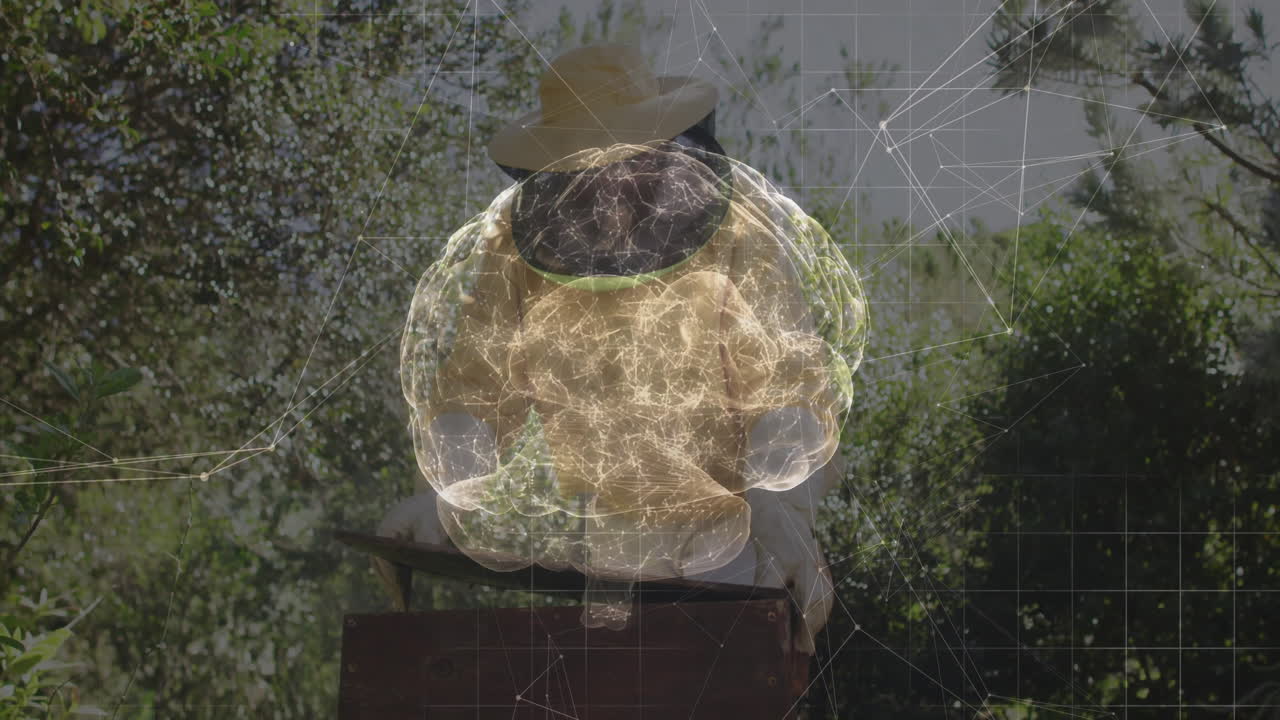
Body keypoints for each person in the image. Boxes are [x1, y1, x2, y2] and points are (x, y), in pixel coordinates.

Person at [376, 44, 866, 655]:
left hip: (737, 549)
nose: (606, 185)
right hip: (607, 551)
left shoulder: (738, 229)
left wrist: (782, 513)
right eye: (583, 165)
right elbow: (475, 387)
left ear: (657, 146)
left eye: (620, 158)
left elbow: (786, 385)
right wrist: (443, 498)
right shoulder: (515, 247)